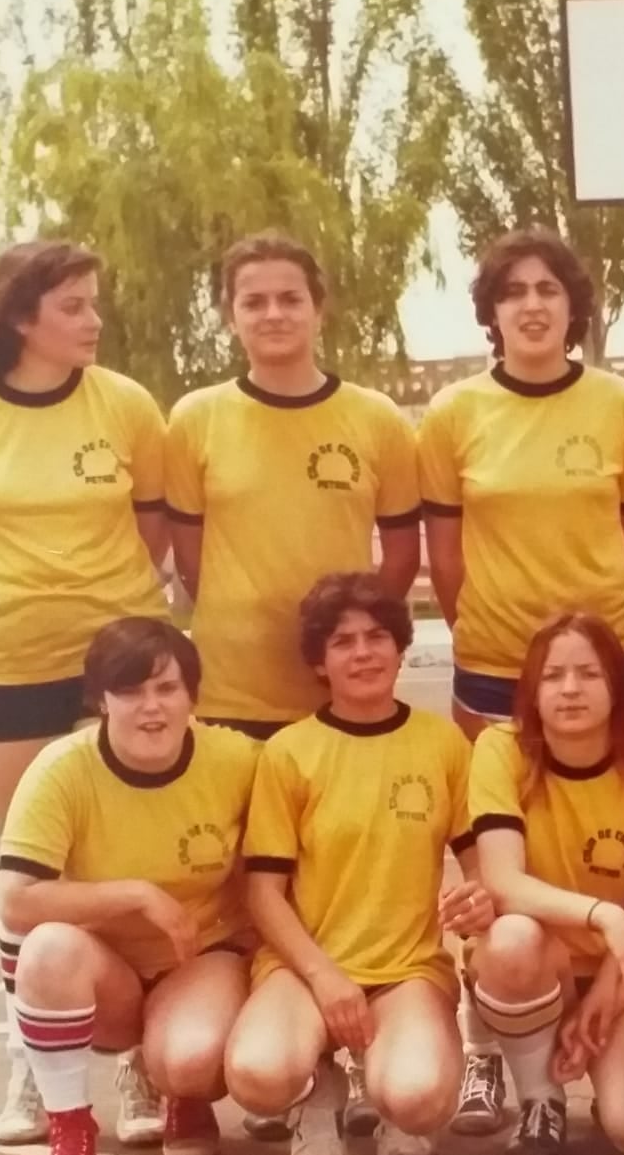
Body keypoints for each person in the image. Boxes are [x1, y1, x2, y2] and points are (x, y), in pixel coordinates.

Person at [0, 238, 172, 1146]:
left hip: (116, 661)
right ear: (19, 317)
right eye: (73, 305)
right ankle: (32, 1068)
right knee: (34, 877)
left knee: (130, 861)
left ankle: (145, 1060)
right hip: (7, 666)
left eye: (94, 301)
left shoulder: (129, 407)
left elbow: (153, 531)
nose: (94, 320)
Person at [165, 231, 423, 1140]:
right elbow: (189, 553)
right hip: (236, 694)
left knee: (343, 882)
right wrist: (238, 616)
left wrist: (350, 646)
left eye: (288, 298)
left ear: (319, 307)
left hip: (340, 703)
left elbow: (401, 550)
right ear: (229, 314)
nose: (273, 314)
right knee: (242, 892)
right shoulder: (194, 419)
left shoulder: (378, 421)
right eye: (252, 301)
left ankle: (352, 1064)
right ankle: (218, 1065)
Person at [417, 225, 624, 1132]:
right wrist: (497, 631)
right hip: (491, 663)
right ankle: (491, 1042)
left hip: (613, 662)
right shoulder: (452, 415)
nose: (531, 305)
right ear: (490, 312)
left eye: (548, 290)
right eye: (513, 292)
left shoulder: (618, 407)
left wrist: (586, 638)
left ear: (573, 308)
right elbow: (444, 557)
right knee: (490, 869)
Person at [224, 572, 492, 1155]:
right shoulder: (289, 752)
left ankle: (390, 1095)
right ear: (319, 662)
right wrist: (324, 978)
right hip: (306, 968)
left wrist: (479, 895)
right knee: (258, 1076)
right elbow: (263, 893)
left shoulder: (442, 744)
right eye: (342, 642)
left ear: (401, 647)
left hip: (407, 969)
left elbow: (480, 864)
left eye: (376, 636)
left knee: (419, 1096)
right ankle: (318, 1089)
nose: (363, 652)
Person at [0, 617, 258, 1155]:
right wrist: (137, 895)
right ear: (101, 700)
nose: (151, 706)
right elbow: (17, 900)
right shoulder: (62, 770)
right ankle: (70, 1120)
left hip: (199, 953)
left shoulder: (238, 761)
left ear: (193, 697)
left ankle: (180, 1092)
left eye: (167, 688)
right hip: (106, 969)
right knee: (45, 948)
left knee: (190, 1060)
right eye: (131, 691)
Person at [466, 613, 624, 1155]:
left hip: (613, 971)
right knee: (513, 937)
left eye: (589, 674)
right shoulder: (502, 752)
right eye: (552, 676)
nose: (570, 689)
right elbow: (502, 882)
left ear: (617, 687)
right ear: (532, 690)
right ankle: (539, 1095)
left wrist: (607, 998)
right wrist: (605, 914)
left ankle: (613, 1070)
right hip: (532, 967)